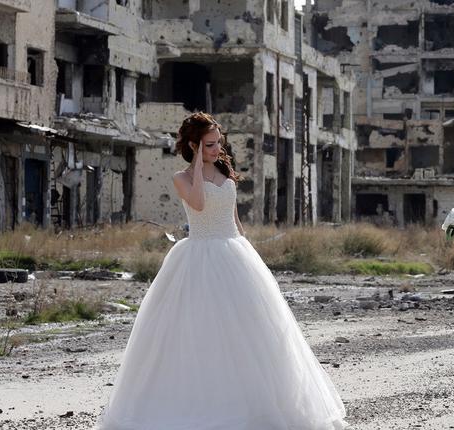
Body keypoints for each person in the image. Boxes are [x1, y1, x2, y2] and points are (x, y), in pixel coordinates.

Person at [98, 112, 347, 429]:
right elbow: (199, 205)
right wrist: (198, 165)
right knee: (198, 332)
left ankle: (256, 407)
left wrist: (247, 249)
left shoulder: (224, 168)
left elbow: (233, 214)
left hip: (234, 253)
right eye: (210, 144)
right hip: (198, 255)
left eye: (219, 143)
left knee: (253, 332)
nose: (218, 149)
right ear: (194, 145)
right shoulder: (181, 177)